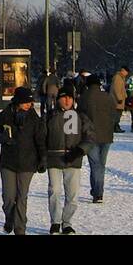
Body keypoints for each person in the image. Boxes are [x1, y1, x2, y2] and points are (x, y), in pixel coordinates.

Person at [0, 86, 46, 234]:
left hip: (28, 162)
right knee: (8, 197)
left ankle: (20, 228)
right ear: (18, 102)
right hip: (8, 162)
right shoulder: (6, 114)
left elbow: (40, 140)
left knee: (22, 197)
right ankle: (10, 218)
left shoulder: (34, 118)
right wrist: (2, 137)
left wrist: (42, 159)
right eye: (26, 102)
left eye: (31, 102)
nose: (29, 104)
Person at [44, 84, 94, 234]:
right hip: (54, 158)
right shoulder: (50, 116)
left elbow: (90, 136)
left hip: (73, 159)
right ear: (58, 99)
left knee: (72, 195)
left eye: (70, 98)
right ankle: (55, 222)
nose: (67, 100)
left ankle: (67, 222)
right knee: (55, 191)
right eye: (64, 97)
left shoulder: (80, 117)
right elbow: (41, 136)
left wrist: (79, 150)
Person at [79, 73, 115, 202]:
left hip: (90, 136)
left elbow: (80, 116)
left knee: (95, 165)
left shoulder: (83, 97)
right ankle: (98, 191)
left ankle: (97, 192)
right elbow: (114, 113)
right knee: (101, 164)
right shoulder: (107, 97)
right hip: (106, 134)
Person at [110, 66, 130, 135]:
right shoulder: (118, 78)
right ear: (123, 71)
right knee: (117, 114)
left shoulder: (121, 77)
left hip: (118, 99)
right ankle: (115, 127)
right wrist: (119, 98)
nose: (127, 74)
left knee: (117, 113)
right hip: (117, 100)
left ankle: (115, 126)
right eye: (126, 72)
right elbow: (116, 89)